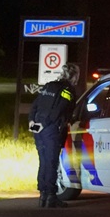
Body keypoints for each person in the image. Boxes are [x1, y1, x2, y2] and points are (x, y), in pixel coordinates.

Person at [28, 63, 78, 208]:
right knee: (51, 162)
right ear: (74, 76)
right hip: (51, 129)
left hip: (37, 128)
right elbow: (60, 109)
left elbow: (35, 105)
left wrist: (32, 121)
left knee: (43, 161)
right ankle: (51, 196)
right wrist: (46, 123)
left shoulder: (48, 86)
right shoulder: (67, 90)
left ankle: (43, 195)